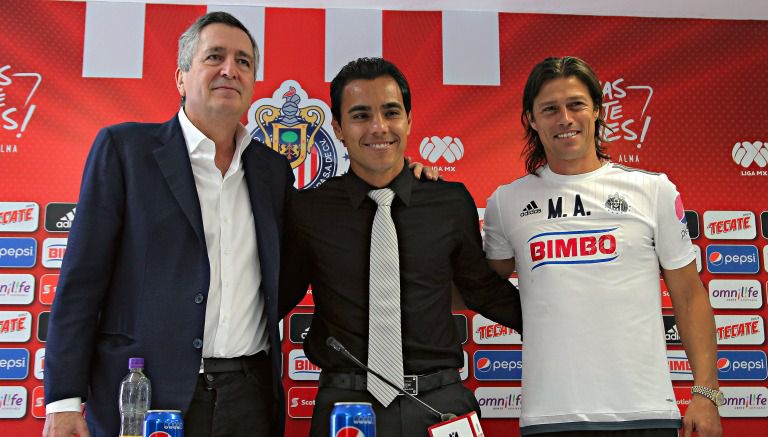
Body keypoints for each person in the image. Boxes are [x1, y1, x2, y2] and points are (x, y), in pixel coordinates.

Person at [43, 12, 293, 437]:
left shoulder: (273, 171)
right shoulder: (125, 151)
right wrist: (64, 401)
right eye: (215, 56)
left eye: (244, 62)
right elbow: (81, 282)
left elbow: (284, 274)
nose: (230, 69)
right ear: (181, 77)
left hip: (250, 398)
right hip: (145, 394)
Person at [278, 57, 523, 437]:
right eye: (361, 115)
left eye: (391, 112)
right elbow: (276, 296)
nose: (378, 127)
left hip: (440, 405)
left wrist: (562, 324)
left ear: (408, 120)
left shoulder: (450, 200)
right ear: (339, 129)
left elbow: (483, 290)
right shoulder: (307, 210)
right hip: (346, 407)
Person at [483, 56, 722, 437]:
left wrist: (706, 395)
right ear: (531, 119)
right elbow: (479, 288)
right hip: (550, 417)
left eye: (576, 104)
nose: (565, 118)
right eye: (550, 109)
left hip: (644, 411)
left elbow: (690, 298)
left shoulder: (653, 190)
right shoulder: (506, 202)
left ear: (596, 109)